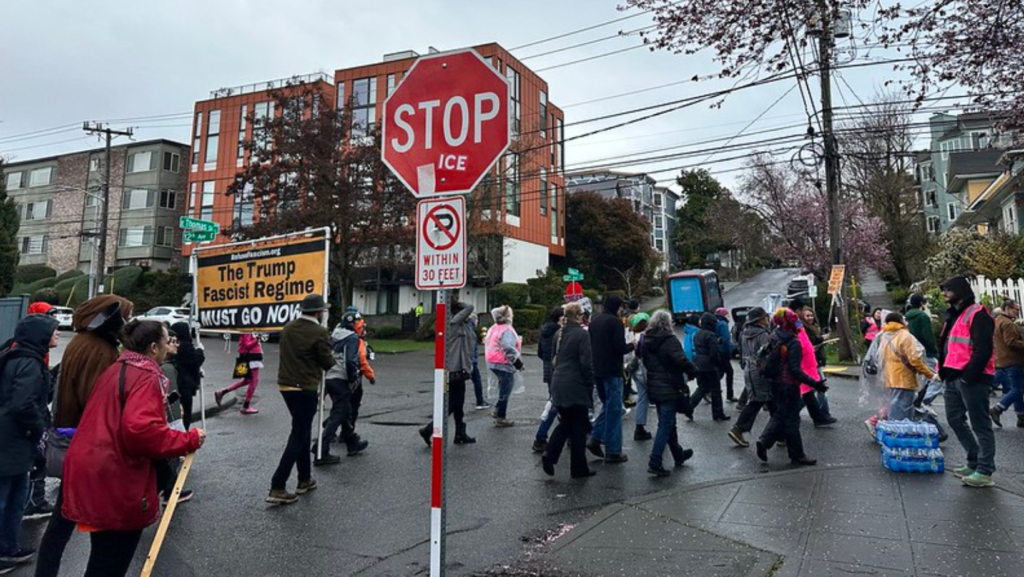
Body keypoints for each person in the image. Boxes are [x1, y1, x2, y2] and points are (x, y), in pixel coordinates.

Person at [61, 320, 206, 577]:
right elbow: (141, 432)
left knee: (103, 557)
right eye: (165, 342)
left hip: (94, 468)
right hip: (114, 475)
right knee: (110, 562)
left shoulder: (119, 368)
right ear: (153, 347)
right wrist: (188, 440)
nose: (169, 347)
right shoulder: (145, 376)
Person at [35, 295, 133, 577]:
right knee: (95, 526)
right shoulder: (99, 350)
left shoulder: (82, 342)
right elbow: (98, 401)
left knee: (63, 519)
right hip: (89, 446)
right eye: (125, 315)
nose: (127, 322)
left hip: (75, 441)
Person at [0, 314, 59, 572]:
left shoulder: (17, 356)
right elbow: (23, 404)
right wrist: (38, 431)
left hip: (12, 439)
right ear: (39, 335)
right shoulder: (29, 363)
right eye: (53, 330)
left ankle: (8, 548)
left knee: (14, 497)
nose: (57, 333)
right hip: (12, 440)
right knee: (8, 497)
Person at [268, 294, 335, 504]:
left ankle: (304, 479)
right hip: (305, 386)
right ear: (319, 312)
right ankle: (278, 485)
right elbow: (327, 362)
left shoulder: (288, 328)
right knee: (299, 434)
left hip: (286, 385)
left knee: (302, 430)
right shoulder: (319, 331)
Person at [937, 277, 996, 488]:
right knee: (954, 419)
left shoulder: (978, 314)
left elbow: (983, 350)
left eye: (948, 290)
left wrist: (968, 376)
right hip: (954, 377)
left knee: (980, 424)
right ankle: (974, 460)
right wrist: (945, 372)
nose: (944, 294)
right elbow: (948, 346)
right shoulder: (955, 315)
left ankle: (985, 470)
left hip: (972, 378)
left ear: (960, 291)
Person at [756, 309, 826, 466]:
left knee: (781, 414)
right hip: (789, 385)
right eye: (796, 320)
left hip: (775, 383)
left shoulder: (774, 335)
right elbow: (795, 369)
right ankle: (796, 454)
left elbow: (762, 354)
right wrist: (815, 383)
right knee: (792, 420)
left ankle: (765, 441)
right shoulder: (793, 342)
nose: (798, 323)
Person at [541, 302, 596, 478]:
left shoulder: (559, 333)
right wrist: (590, 384)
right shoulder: (582, 334)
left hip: (559, 381)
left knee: (566, 422)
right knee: (578, 427)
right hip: (575, 384)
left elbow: (553, 358)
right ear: (579, 316)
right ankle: (578, 468)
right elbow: (586, 363)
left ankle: (550, 454)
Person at [640, 310, 697, 476]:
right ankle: (655, 461)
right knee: (665, 425)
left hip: (654, 385)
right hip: (669, 385)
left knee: (669, 423)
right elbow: (680, 360)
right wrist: (693, 370)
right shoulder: (669, 340)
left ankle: (678, 454)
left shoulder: (646, 340)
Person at [317, 311, 374, 464]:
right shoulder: (352, 338)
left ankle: (352, 442)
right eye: (359, 323)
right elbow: (350, 361)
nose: (360, 326)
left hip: (329, 377)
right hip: (340, 378)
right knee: (339, 413)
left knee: (346, 411)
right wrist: (352, 379)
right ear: (353, 323)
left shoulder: (335, 335)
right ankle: (321, 448)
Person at [420, 302, 477, 446]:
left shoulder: (459, 325)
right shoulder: (453, 324)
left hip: (458, 370)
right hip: (452, 370)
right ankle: (429, 429)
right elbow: (469, 307)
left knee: (459, 404)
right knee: (451, 404)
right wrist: (455, 302)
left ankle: (460, 433)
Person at [586, 296, 634, 463]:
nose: (622, 310)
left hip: (597, 369)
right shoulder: (615, 322)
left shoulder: (595, 321)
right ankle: (613, 450)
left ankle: (596, 437)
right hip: (612, 370)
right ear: (616, 307)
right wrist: (632, 345)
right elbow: (619, 348)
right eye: (621, 307)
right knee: (614, 410)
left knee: (608, 406)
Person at [157, 332, 194, 505]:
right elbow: (170, 396)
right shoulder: (167, 368)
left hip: (170, 416)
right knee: (171, 456)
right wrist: (176, 420)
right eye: (171, 341)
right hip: (171, 419)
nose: (175, 344)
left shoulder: (168, 365)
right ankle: (169, 491)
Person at [878, 312, 937, 420]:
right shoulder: (905, 336)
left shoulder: (884, 336)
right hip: (904, 378)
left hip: (889, 377)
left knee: (894, 405)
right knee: (902, 409)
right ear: (900, 320)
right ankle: (897, 428)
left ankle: (891, 427)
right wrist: (929, 374)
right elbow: (914, 359)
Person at [788, 300, 835, 427]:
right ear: (798, 310)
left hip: (809, 361)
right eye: (804, 313)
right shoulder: (792, 323)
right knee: (810, 390)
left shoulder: (797, 322)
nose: (808, 317)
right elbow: (800, 342)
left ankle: (819, 417)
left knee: (809, 392)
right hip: (803, 362)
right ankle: (790, 415)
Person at [730, 307, 772, 447]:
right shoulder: (763, 334)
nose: (767, 319)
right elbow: (767, 353)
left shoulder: (745, 332)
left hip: (749, 369)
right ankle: (739, 428)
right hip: (760, 370)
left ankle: (779, 433)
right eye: (765, 317)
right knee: (758, 401)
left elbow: (742, 352)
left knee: (770, 401)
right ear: (759, 319)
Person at [485, 305, 524, 427]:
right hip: (503, 362)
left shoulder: (495, 328)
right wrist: (517, 362)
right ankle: (500, 416)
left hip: (493, 361)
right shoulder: (506, 330)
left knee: (503, 388)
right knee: (506, 390)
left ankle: (498, 410)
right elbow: (508, 347)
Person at [534, 307, 565, 452]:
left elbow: (540, 351)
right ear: (560, 317)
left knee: (553, 399)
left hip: (548, 365)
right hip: (557, 367)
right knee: (555, 403)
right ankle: (541, 436)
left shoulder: (545, 330)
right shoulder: (559, 332)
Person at [990, 299, 1024, 428]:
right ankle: (998, 408)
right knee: (1018, 389)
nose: (1018, 312)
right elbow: (1011, 342)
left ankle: (1021, 416)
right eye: (1016, 310)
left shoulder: (998, 320)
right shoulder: (1008, 323)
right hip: (1013, 360)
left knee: (1016, 388)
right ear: (1007, 309)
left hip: (1003, 359)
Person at [689, 312, 729, 421]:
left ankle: (689, 407)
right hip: (709, 365)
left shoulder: (698, 334)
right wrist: (718, 363)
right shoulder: (711, 335)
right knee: (716, 389)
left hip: (698, 363)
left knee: (702, 388)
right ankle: (718, 413)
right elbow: (714, 353)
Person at [800, 306, 835, 424]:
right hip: (810, 363)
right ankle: (823, 415)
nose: (810, 318)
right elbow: (811, 341)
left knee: (815, 390)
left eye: (811, 315)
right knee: (817, 389)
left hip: (817, 361)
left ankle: (822, 415)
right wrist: (822, 338)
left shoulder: (814, 327)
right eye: (807, 316)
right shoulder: (803, 329)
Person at [214, 333, 264, 414]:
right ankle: (246, 406)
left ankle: (222, 392)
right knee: (254, 381)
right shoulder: (247, 331)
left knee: (247, 381)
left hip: (250, 356)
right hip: (251, 357)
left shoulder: (248, 331)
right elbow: (247, 345)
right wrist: (257, 339)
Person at [167, 322, 203, 430]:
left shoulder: (175, 345)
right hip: (184, 385)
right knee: (185, 414)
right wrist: (200, 350)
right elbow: (195, 360)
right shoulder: (185, 346)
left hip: (177, 384)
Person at [626, 313, 652, 441]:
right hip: (645, 371)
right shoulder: (645, 337)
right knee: (659, 398)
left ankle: (639, 426)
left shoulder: (631, 336)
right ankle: (665, 428)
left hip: (635, 371)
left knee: (643, 398)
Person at [468, 311, 490, 410]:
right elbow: (471, 348)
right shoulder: (471, 331)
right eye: (476, 319)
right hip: (471, 361)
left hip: (467, 360)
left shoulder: (465, 329)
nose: (477, 321)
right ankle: (480, 401)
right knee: (477, 380)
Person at [714, 308, 736, 402]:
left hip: (717, 352)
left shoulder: (716, 322)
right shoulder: (723, 324)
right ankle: (729, 395)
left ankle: (709, 388)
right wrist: (729, 352)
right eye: (727, 314)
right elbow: (726, 340)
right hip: (723, 353)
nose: (729, 316)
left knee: (722, 372)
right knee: (728, 372)